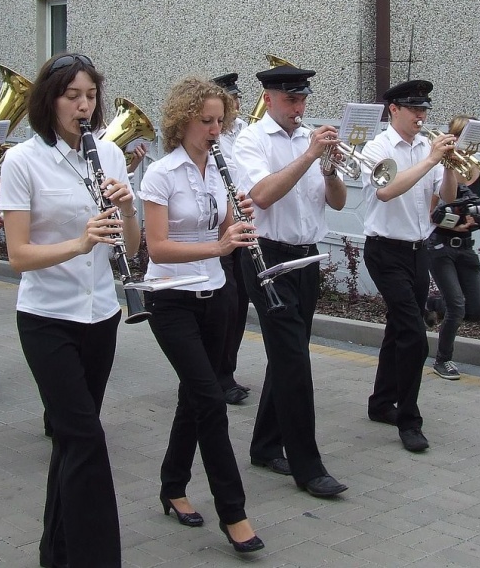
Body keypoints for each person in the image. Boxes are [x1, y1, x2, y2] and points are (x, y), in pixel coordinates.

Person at [0, 52, 136, 568]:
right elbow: (17, 255)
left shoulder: (110, 156)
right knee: (84, 438)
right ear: (49, 100)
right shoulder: (22, 161)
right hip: (47, 318)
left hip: (100, 314)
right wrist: (79, 244)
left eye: (91, 95)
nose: (84, 105)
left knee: (72, 444)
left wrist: (126, 208)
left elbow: (134, 244)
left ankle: (53, 552)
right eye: (72, 95)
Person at [138, 77, 264, 553]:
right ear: (182, 121)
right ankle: (234, 514)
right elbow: (159, 248)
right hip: (171, 298)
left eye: (220, 121)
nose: (215, 130)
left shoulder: (221, 167)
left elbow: (222, 226)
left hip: (217, 293)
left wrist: (237, 217)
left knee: (195, 397)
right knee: (210, 401)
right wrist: (220, 243)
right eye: (206, 121)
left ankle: (172, 486)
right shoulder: (161, 174)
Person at [233, 65, 348, 497]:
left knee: (290, 354)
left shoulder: (308, 140)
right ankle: (309, 466)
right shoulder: (251, 141)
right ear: (270, 98)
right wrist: (310, 157)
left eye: (303, 99)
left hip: (306, 258)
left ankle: (264, 446)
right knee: (296, 363)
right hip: (266, 256)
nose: (300, 108)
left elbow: (336, 203)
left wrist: (332, 169)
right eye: (291, 100)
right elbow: (260, 195)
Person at [360, 79, 457, 453]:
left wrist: (448, 166)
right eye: (415, 109)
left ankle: (381, 402)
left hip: (419, 251)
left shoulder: (424, 146)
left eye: (425, 109)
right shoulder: (377, 148)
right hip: (385, 251)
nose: (422, 116)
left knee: (397, 329)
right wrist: (433, 159)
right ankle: (409, 418)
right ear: (394, 110)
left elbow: (445, 199)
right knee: (414, 333)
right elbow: (386, 191)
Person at [427, 114, 480, 380]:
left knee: (477, 311)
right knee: (457, 306)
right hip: (440, 247)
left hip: (466, 248)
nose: (475, 145)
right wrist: (451, 226)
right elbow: (431, 211)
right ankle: (442, 361)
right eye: (471, 137)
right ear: (456, 138)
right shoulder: (441, 168)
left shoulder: (476, 169)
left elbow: (472, 206)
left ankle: (431, 303)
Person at [211, 72, 251, 405]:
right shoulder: (212, 138)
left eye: (238, 98)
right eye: (232, 98)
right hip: (221, 229)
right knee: (226, 305)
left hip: (244, 227)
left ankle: (228, 371)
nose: (239, 103)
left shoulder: (244, 133)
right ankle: (218, 376)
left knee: (239, 306)